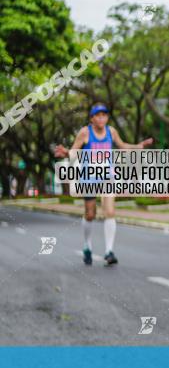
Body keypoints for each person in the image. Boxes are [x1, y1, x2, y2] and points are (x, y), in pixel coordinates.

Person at [53, 104, 153, 266]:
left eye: (104, 115)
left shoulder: (111, 131)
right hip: (89, 178)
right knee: (90, 214)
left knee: (110, 212)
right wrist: (66, 153)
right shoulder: (85, 132)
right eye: (98, 115)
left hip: (108, 177)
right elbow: (74, 152)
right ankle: (87, 245)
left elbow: (122, 146)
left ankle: (109, 252)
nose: (101, 118)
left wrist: (138, 146)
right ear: (92, 118)